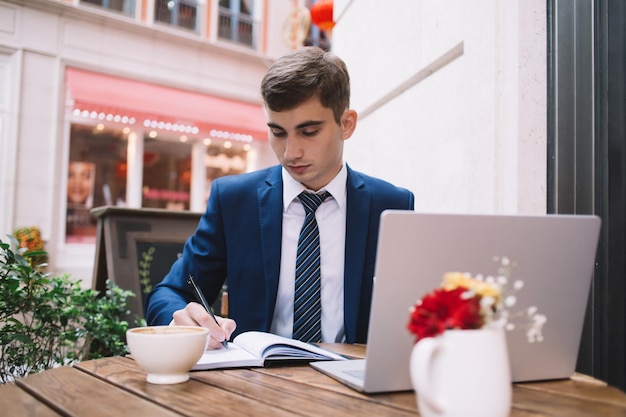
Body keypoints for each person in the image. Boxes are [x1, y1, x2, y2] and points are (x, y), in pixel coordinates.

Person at [145, 47, 415, 349]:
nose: (290, 152)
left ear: (346, 124)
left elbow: (412, 312)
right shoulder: (234, 200)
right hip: (254, 384)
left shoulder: (392, 205)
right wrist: (181, 318)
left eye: (308, 131)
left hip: (353, 385)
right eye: (278, 132)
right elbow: (168, 293)